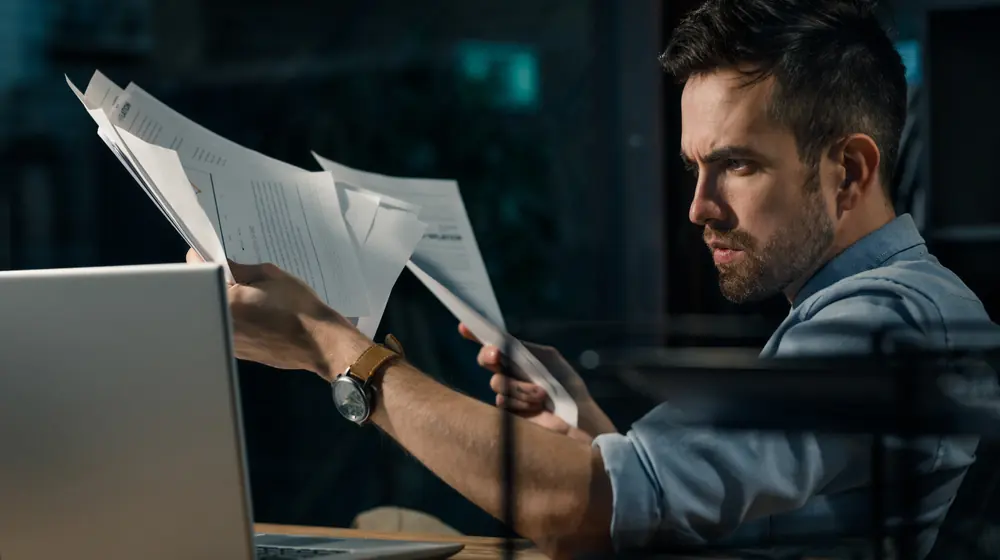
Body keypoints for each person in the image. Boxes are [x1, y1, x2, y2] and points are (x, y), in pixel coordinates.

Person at [187, 0, 999, 557]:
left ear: (849, 171)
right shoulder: (872, 312)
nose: (698, 207)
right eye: (692, 167)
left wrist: (334, 349)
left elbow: (579, 514)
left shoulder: (890, 322)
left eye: (736, 166)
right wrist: (599, 440)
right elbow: (715, 511)